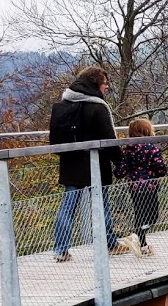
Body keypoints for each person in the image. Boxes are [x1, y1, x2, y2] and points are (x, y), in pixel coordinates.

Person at [49, 66, 130, 261]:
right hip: (96, 165)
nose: (106, 88)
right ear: (96, 84)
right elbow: (109, 139)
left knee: (68, 206)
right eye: (105, 84)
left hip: (71, 163)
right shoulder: (97, 106)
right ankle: (110, 243)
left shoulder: (66, 102)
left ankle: (60, 249)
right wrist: (120, 163)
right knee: (102, 206)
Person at [115, 118, 168, 257]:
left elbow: (121, 172)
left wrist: (117, 171)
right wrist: (160, 172)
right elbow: (161, 169)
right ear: (147, 131)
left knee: (139, 214)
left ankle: (143, 245)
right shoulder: (152, 149)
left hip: (134, 187)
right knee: (153, 216)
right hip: (149, 187)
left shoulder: (128, 149)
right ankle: (137, 235)